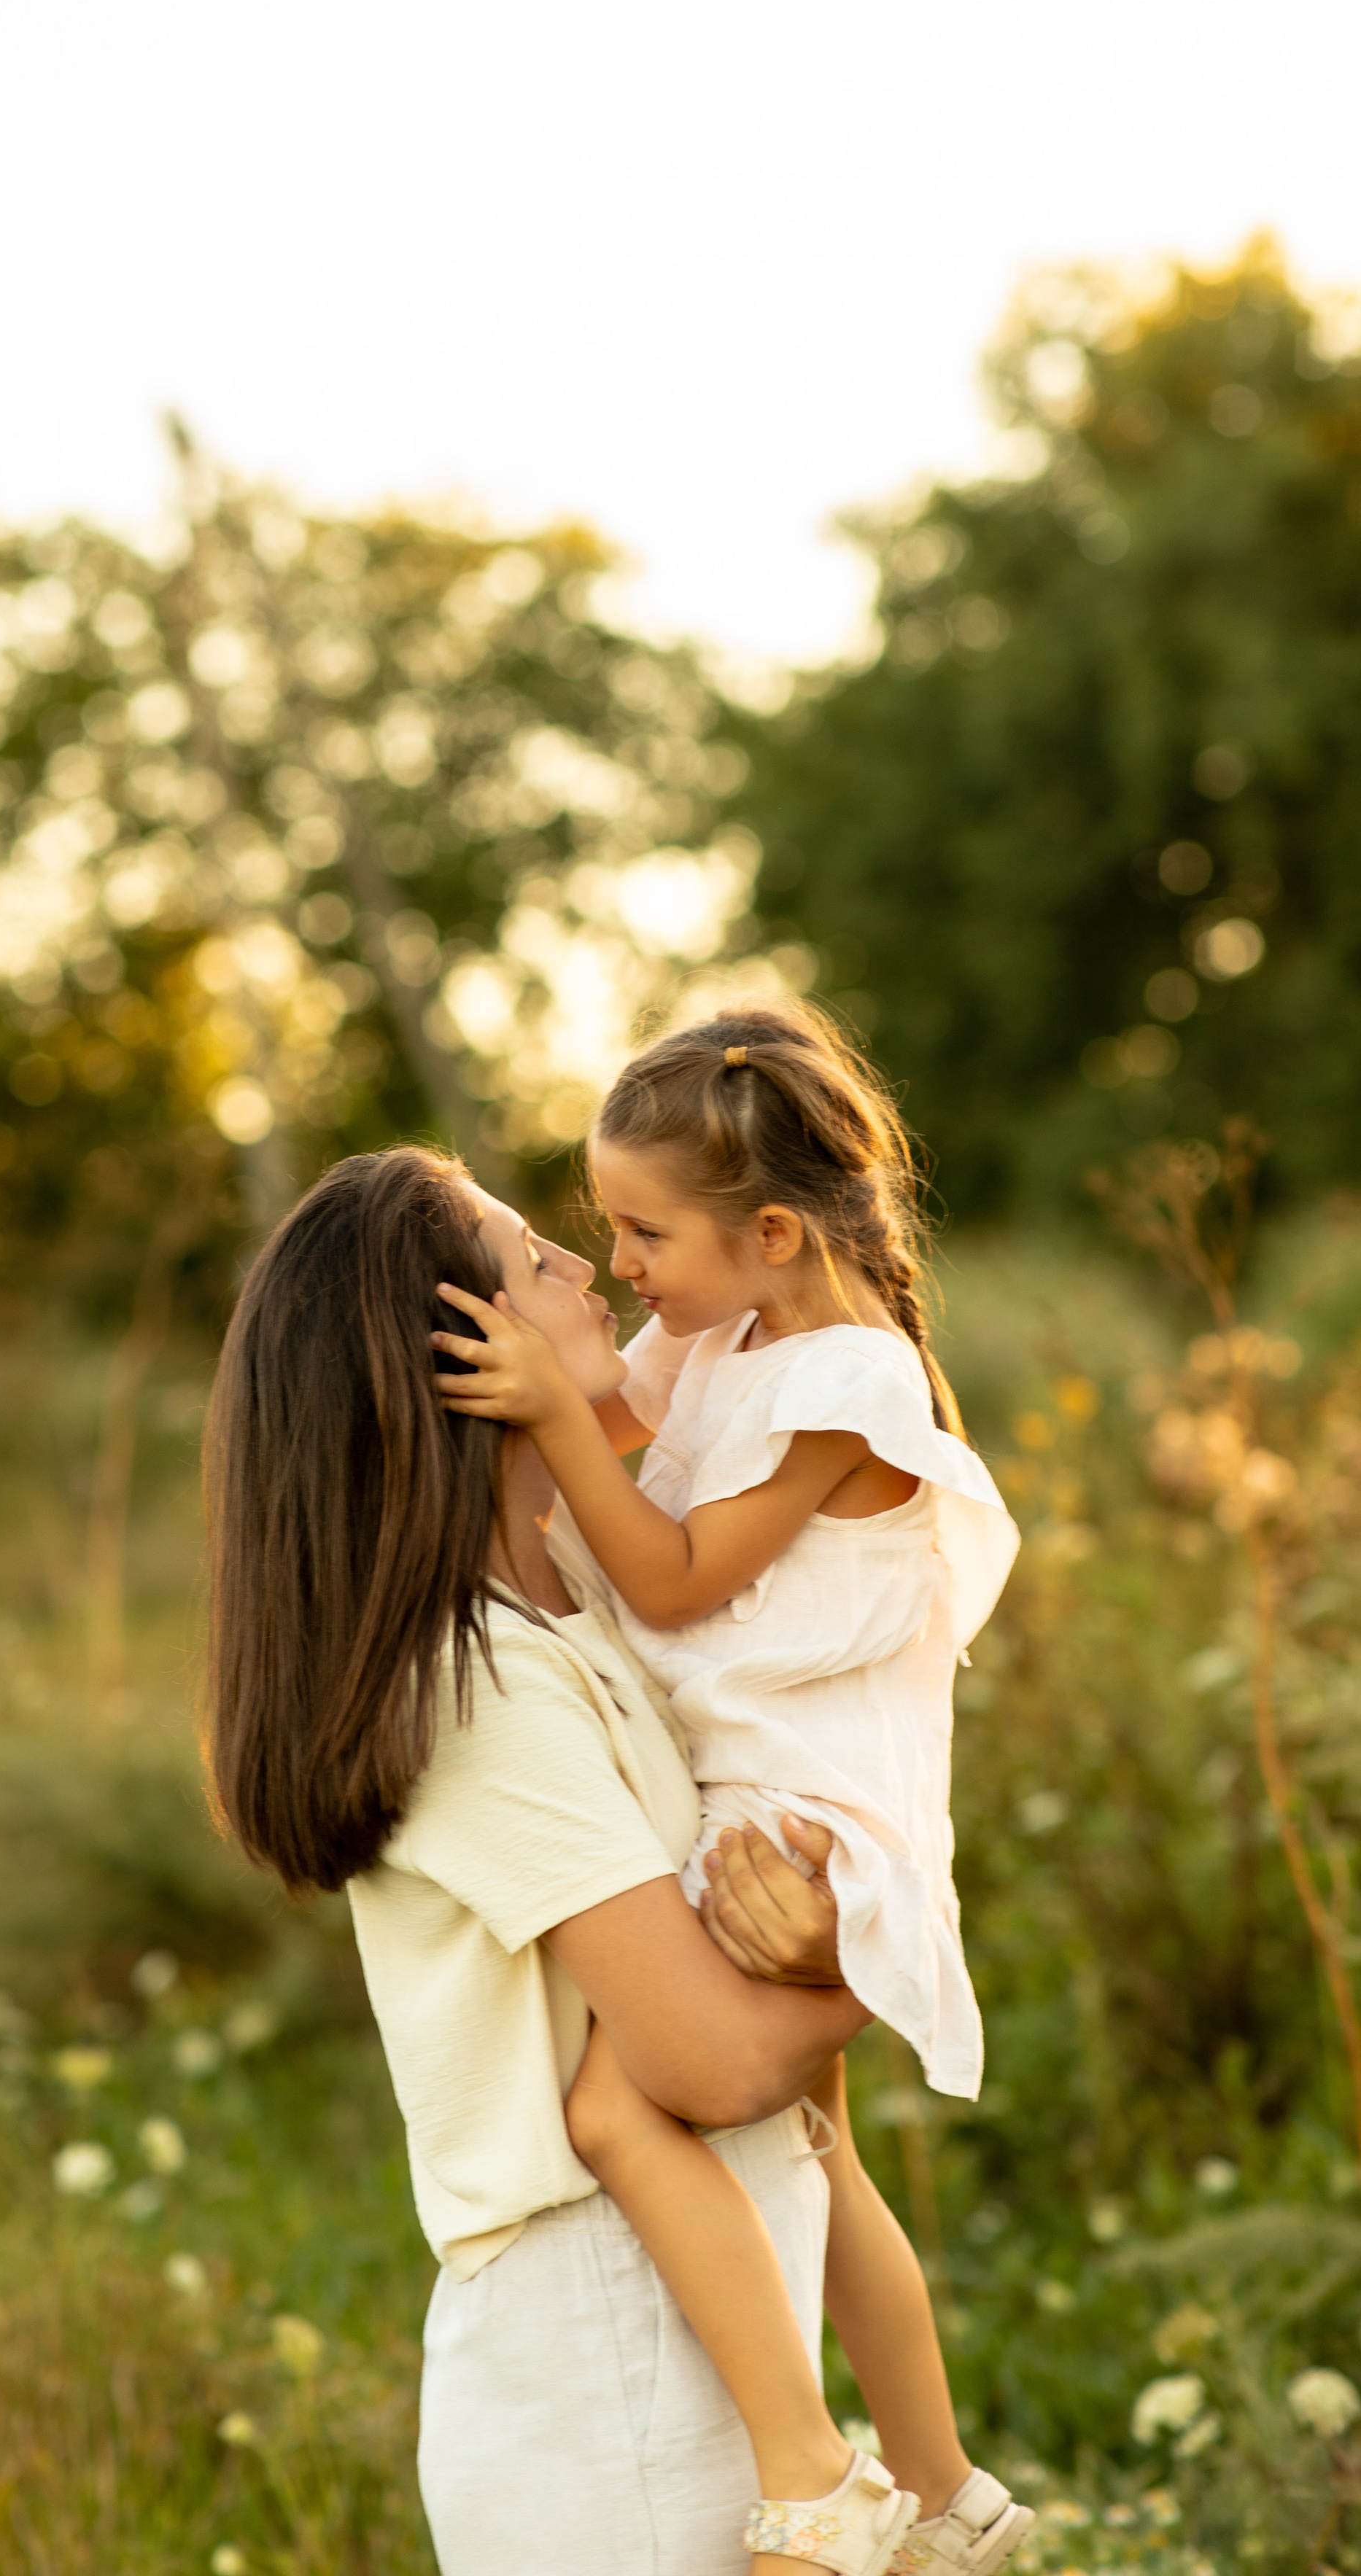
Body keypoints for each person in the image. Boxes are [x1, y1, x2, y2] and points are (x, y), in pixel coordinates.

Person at [204, 1144, 904, 2576]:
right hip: (607, 2365)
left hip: (695, 2312)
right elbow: (713, 2059)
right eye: (534, 1259)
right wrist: (877, 1955)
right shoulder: (473, 1686)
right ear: (457, 1357)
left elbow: (729, 1364)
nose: (589, 1270)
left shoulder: (572, 1580)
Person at [431, 1003, 1030, 2576]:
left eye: (643, 1234)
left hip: (805, 1807)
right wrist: (554, 1389)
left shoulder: (849, 1388)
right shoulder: (722, 1329)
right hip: (748, 1775)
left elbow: (680, 1577)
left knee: (612, 2106)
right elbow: (612, 1423)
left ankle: (812, 2468)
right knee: (823, 2158)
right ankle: (944, 2491)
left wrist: (551, 1414)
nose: (616, 1263)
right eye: (603, 1231)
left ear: (770, 1234)